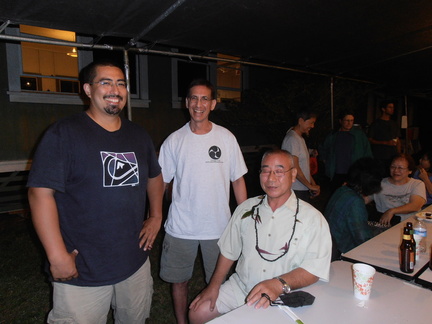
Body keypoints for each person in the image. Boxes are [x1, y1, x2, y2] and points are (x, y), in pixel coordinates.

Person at [27, 60, 164, 323]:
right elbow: (39, 194)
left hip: (134, 262)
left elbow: (154, 177)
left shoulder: (138, 134)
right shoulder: (63, 134)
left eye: (121, 83)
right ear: (88, 90)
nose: (115, 89)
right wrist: (57, 256)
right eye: (106, 82)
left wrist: (156, 215)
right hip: (82, 269)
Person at [189, 149, 331, 324]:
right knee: (198, 313)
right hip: (241, 287)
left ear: (293, 175)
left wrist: (278, 284)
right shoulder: (246, 209)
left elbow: (314, 269)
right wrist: (213, 286)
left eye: (279, 171)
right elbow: (228, 251)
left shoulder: (313, 219)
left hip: (285, 294)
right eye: (265, 170)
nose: (271, 178)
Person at [158, 79, 248, 324]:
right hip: (181, 228)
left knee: (221, 283)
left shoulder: (226, 138)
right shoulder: (174, 140)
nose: (199, 104)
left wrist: (245, 219)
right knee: (179, 282)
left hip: (219, 228)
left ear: (213, 104)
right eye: (194, 98)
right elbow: (161, 183)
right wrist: (153, 216)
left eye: (205, 98)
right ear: (187, 103)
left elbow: (237, 181)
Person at [325, 158, 382, 254]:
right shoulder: (355, 201)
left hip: (329, 244)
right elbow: (362, 239)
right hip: (342, 250)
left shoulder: (342, 190)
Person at [320, 109, 372, 193]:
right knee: (336, 195)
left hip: (354, 173)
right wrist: (326, 161)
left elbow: (367, 152)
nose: (349, 123)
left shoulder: (359, 135)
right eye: (347, 120)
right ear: (340, 121)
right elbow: (324, 149)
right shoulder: (333, 135)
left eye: (351, 121)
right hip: (337, 172)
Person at [367, 153, 426, 226]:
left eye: (400, 168)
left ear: (410, 171)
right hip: (384, 226)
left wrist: (392, 211)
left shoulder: (417, 184)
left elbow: (415, 205)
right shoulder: (379, 184)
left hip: (410, 225)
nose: (395, 170)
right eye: (393, 167)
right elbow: (363, 200)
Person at [281, 108, 320, 203]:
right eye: (311, 122)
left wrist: (312, 183)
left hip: (302, 189)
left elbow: (303, 166)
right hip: (295, 190)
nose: (312, 126)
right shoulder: (292, 139)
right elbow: (294, 167)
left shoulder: (300, 138)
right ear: (301, 121)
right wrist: (309, 185)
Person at [368, 100, 401, 173]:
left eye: (393, 107)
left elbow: (397, 139)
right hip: (380, 156)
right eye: (390, 107)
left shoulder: (394, 124)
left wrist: (399, 154)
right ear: (383, 109)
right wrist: (385, 143)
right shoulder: (376, 124)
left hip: (392, 155)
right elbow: (370, 139)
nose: (392, 109)